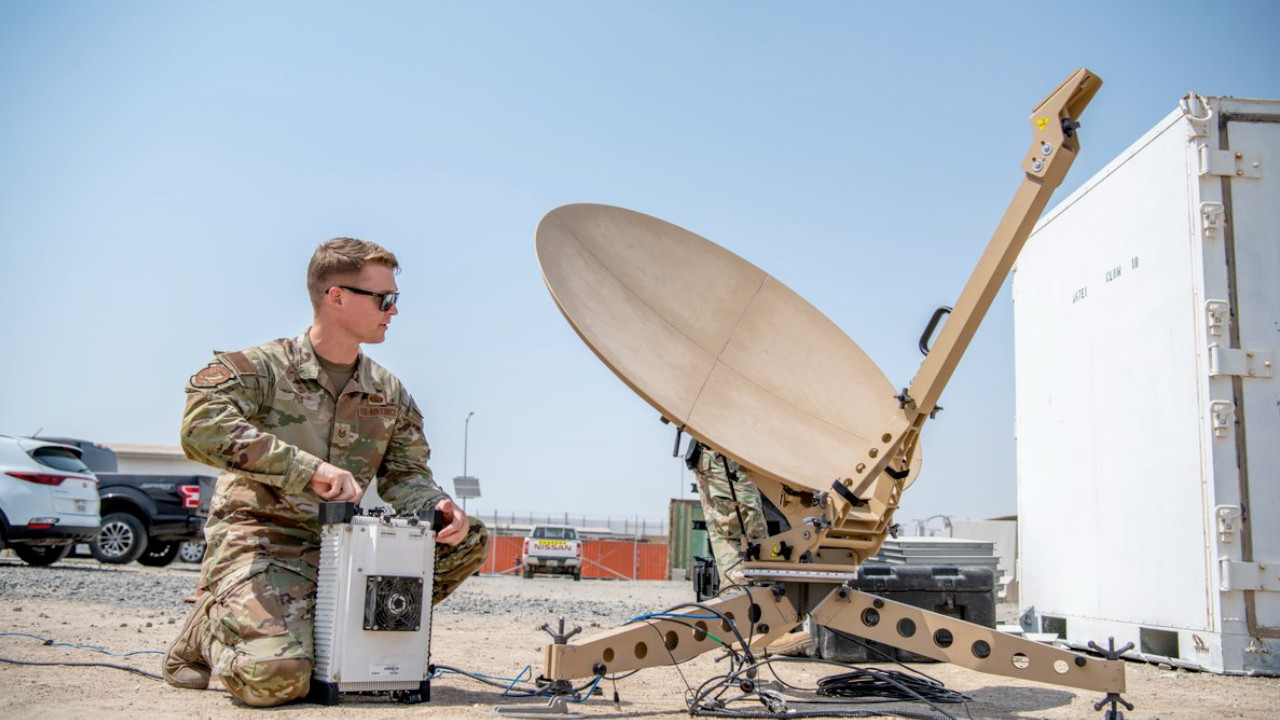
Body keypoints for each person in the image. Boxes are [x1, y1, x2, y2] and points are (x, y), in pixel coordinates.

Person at [163, 237, 488, 706]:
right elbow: (200, 428)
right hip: (262, 539)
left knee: (468, 537)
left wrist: (435, 503)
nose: (393, 311)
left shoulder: (387, 391)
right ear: (335, 296)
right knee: (277, 678)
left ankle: (315, 628)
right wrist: (306, 469)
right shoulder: (261, 370)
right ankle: (210, 624)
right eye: (384, 299)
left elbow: (405, 473)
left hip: (343, 549)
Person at [689, 442, 768, 588]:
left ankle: (740, 595)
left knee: (736, 533)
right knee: (749, 530)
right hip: (727, 459)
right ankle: (743, 597)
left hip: (720, 458)